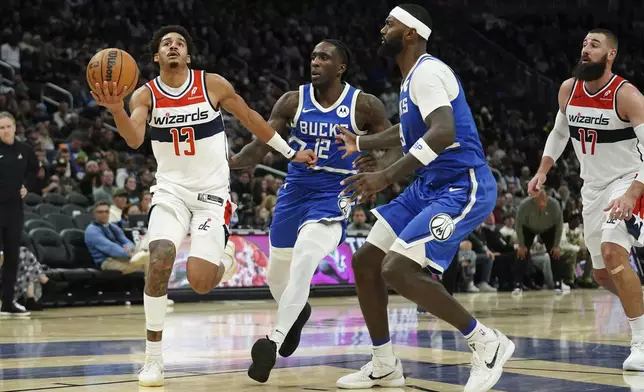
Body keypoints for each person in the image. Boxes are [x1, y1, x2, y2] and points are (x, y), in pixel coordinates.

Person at [90, 25, 317, 387]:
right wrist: (117, 108)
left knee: (199, 283)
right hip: (170, 192)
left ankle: (224, 256)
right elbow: (133, 139)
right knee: (160, 254)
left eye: (180, 43)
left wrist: (291, 152)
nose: (173, 47)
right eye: (166, 44)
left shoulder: (212, 84)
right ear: (156, 57)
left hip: (212, 195)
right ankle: (153, 359)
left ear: (189, 55)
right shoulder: (145, 95)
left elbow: (252, 119)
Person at [334, 5, 514, 391]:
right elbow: (408, 130)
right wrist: (362, 142)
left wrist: (385, 174)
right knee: (366, 262)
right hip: (429, 186)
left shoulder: (428, 71)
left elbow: (444, 132)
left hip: (461, 185)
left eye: (389, 23)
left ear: (411, 32)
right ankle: (384, 364)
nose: (382, 29)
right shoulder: (412, 78)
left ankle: (486, 341)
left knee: (398, 269)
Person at [228, 39, 395, 383]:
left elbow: (395, 143)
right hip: (294, 192)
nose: (315, 62)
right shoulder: (292, 101)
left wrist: (378, 167)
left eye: (324, 57)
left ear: (341, 67)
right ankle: (297, 313)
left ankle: (271, 342)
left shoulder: (364, 105)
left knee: (305, 257)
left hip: (334, 192)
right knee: (277, 276)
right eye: (313, 57)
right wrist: (231, 163)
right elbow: (263, 143)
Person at [528, 28, 644, 370]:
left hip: (629, 182)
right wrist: (543, 170)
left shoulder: (628, 96)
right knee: (601, 274)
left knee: (613, 251)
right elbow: (560, 131)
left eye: (595, 45)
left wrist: (632, 193)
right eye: (584, 43)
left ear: (610, 55)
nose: (586, 49)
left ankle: (640, 344)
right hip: (592, 187)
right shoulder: (569, 89)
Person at [0, 111, 37, 316]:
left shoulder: (25, 149)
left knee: (13, 257)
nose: (5, 131)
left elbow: (35, 170)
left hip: (14, 210)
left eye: (8, 126)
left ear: (15, 127)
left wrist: (27, 186)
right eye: (1, 127)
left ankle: (8, 302)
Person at [515, 189, 568, 293]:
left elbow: (559, 226)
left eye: (544, 200)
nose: (542, 203)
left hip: (549, 229)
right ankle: (517, 284)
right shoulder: (524, 205)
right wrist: (521, 244)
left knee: (555, 253)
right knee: (522, 253)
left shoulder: (554, 205)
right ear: (533, 199)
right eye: (539, 200)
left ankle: (558, 283)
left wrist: (556, 245)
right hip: (528, 228)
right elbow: (518, 225)